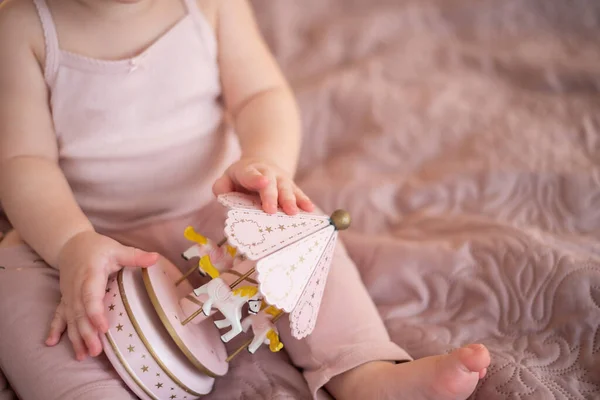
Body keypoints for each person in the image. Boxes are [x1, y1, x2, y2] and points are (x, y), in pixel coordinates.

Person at [0, 0, 491, 399]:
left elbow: (261, 95)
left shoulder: (211, 6)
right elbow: (22, 161)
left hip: (214, 210)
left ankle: (365, 370)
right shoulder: (22, 27)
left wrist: (265, 162)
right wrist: (69, 244)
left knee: (302, 231)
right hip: (87, 231)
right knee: (13, 287)